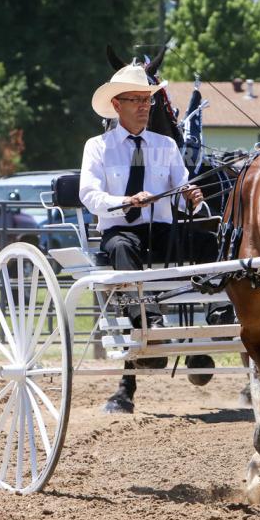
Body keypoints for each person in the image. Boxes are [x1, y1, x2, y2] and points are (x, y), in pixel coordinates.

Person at [80, 63, 204, 414]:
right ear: (116, 105)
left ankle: (221, 311)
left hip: (162, 232)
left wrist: (192, 198)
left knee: (209, 243)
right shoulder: (98, 147)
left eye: (147, 100)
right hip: (121, 230)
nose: (144, 107)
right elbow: (89, 195)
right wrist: (126, 201)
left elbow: (182, 191)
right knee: (122, 247)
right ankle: (147, 318)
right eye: (135, 100)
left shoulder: (166, 146)